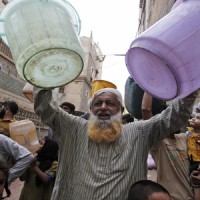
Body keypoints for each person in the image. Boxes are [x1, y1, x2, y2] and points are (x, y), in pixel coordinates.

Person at [31, 85, 197, 200]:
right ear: (91, 110)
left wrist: (190, 83)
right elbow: (45, 108)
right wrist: (45, 75)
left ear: (121, 110)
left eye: (110, 103)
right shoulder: (74, 128)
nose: (103, 107)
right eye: (98, 103)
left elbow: (175, 116)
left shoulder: (138, 132)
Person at [142, 92, 194, 199]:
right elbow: (146, 110)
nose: (174, 119)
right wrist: (149, 85)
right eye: (170, 118)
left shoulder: (184, 137)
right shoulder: (158, 142)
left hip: (190, 196)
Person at [187, 107, 200, 200]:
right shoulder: (188, 133)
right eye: (193, 117)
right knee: (191, 184)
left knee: (197, 185)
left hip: (198, 164)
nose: (194, 118)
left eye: (198, 118)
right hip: (190, 162)